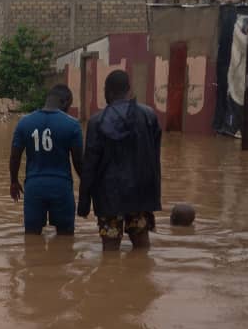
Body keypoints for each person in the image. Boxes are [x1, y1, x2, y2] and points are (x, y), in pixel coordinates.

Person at [77, 69, 162, 251]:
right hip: (141, 194)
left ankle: (110, 271)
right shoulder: (149, 116)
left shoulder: (96, 122)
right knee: (141, 246)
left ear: (107, 92)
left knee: (110, 248)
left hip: (108, 197)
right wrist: (154, 197)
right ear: (129, 90)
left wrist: (84, 203)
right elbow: (155, 160)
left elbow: (89, 166)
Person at [9, 84, 83, 236]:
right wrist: (87, 187)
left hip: (34, 187)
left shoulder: (24, 122)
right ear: (65, 102)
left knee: (31, 238)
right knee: (65, 238)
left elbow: (15, 156)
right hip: (62, 187)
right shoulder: (73, 125)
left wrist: (14, 181)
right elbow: (78, 163)